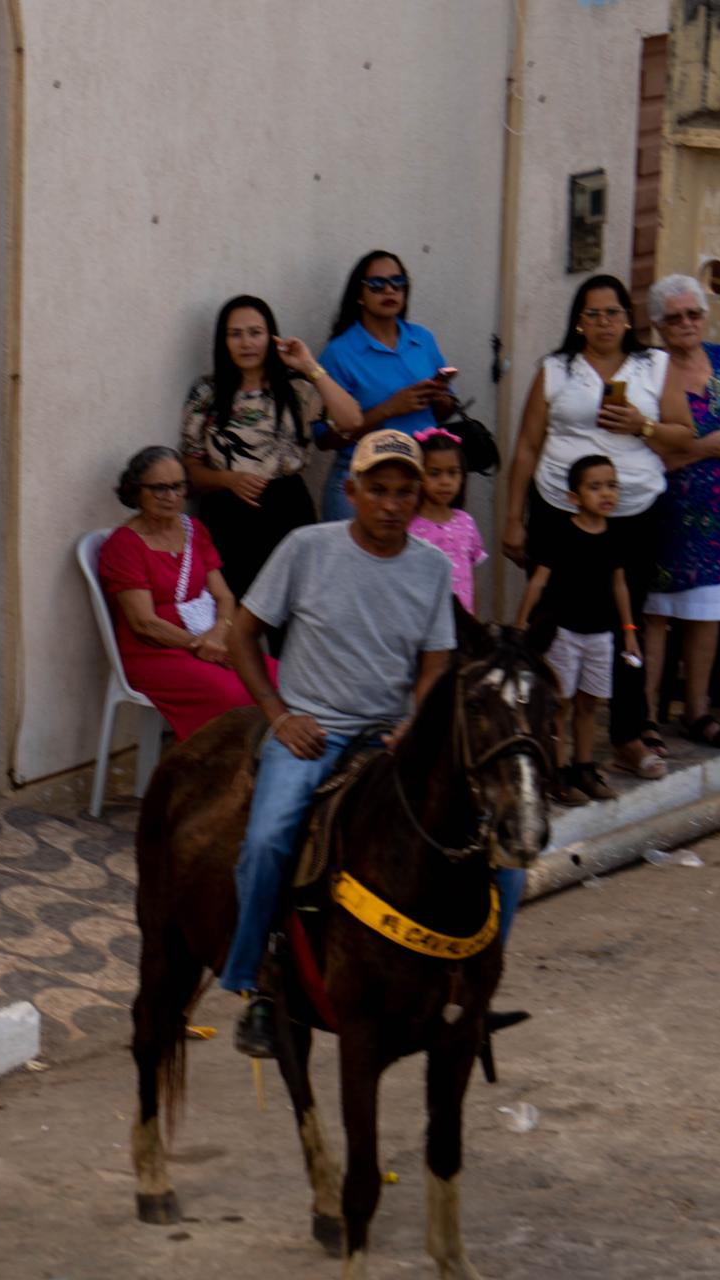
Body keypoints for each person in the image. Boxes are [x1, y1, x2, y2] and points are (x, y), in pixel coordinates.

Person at [221, 431, 456, 1057]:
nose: (392, 504)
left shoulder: (433, 567)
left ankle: (465, 981)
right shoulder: (307, 548)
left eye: (404, 492)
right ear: (351, 491)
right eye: (378, 490)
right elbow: (243, 634)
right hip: (313, 732)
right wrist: (277, 714)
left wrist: (416, 720)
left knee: (483, 842)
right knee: (269, 839)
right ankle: (258, 981)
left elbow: (436, 661)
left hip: (390, 736)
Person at [502, 276, 692, 781]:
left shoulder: (654, 365)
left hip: (632, 512)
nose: (604, 322)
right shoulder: (556, 369)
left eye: (613, 312)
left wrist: (640, 426)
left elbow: (683, 434)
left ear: (628, 319)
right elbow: (527, 446)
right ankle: (540, 735)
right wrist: (513, 518)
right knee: (551, 620)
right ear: (579, 322)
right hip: (559, 511)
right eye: (593, 314)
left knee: (625, 624)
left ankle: (627, 735)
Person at [179, 295, 361, 602]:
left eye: (255, 333)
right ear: (223, 341)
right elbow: (191, 469)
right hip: (227, 514)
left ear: (271, 337)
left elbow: (352, 419)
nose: (246, 343)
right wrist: (227, 479)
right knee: (236, 609)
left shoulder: (296, 388)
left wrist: (309, 366)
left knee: (295, 606)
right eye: (235, 334)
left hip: (287, 507)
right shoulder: (206, 393)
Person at [97, 447, 278, 741]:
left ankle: (265, 764)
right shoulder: (124, 545)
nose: (170, 496)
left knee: (276, 678)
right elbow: (144, 624)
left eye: (178, 486)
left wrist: (219, 634)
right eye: (159, 488)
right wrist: (201, 645)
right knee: (231, 695)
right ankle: (222, 767)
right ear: (136, 491)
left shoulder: (194, 530)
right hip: (155, 653)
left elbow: (224, 597)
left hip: (209, 642)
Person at [643, 275, 720, 751]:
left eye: (693, 314)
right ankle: (646, 718)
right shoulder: (649, 371)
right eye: (674, 318)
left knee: (707, 614)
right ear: (657, 325)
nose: (686, 323)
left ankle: (697, 711)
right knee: (657, 614)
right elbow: (650, 451)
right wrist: (706, 448)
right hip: (666, 512)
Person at [514, 456, 640, 805]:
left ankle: (584, 767)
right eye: (594, 487)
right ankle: (558, 772)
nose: (605, 493)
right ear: (574, 496)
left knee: (589, 703)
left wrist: (629, 630)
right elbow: (538, 582)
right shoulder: (561, 534)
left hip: (600, 635)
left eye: (611, 485)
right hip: (564, 634)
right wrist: (522, 622)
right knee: (561, 705)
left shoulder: (615, 537)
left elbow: (619, 585)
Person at [316, 250, 457, 521]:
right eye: (377, 284)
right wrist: (389, 409)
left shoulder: (422, 339)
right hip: (362, 482)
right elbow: (325, 438)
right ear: (359, 295)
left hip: (419, 478)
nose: (389, 290)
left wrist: (441, 398)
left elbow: (443, 413)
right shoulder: (339, 353)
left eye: (397, 282)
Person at [407, 428, 486, 613]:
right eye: (434, 473)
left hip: (463, 624)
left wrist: (474, 622)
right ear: (417, 475)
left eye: (453, 473)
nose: (445, 481)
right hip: (423, 620)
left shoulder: (466, 522)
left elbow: (472, 577)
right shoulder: (408, 526)